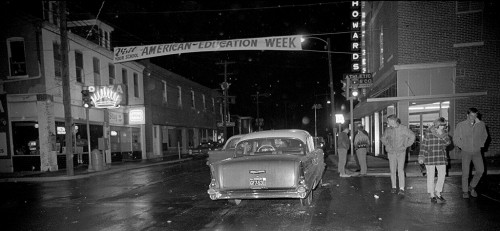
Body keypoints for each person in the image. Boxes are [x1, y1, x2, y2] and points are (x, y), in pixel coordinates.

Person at [454, 108, 488, 199]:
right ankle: (465, 191)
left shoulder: (481, 124)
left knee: (480, 171)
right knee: (465, 173)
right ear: (467, 115)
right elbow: (456, 138)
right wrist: (462, 146)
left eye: (475, 115)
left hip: (477, 151)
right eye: (471, 115)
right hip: (466, 152)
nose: (473, 117)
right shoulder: (461, 125)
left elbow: (485, 135)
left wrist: (480, 144)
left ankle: (472, 187)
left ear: (477, 115)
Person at [418, 117, 451, 203]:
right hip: (430, 157)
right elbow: (424, 145)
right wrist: (421, 156)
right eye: (441, 125)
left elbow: (448, 143)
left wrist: (442, 135)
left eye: (444, 125)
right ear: (437, 124)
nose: (442, 127)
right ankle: (432, 194)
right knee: (430, 176)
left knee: (442, 175)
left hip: (441, 156)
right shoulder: (428, 132)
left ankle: (438, 192)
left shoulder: (445, 133)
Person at [381, 115, 415, 196]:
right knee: (392, 170)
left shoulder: (403, 128)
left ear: (393, 121)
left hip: (401, 152)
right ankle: (394, 186)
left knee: (400, 170)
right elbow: (383, 138)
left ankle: (401, 188)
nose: (387, 122)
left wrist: (405, 145)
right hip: (391, 152)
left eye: (388, 121)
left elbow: (412, 136)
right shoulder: (388, 129)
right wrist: (387, 145)